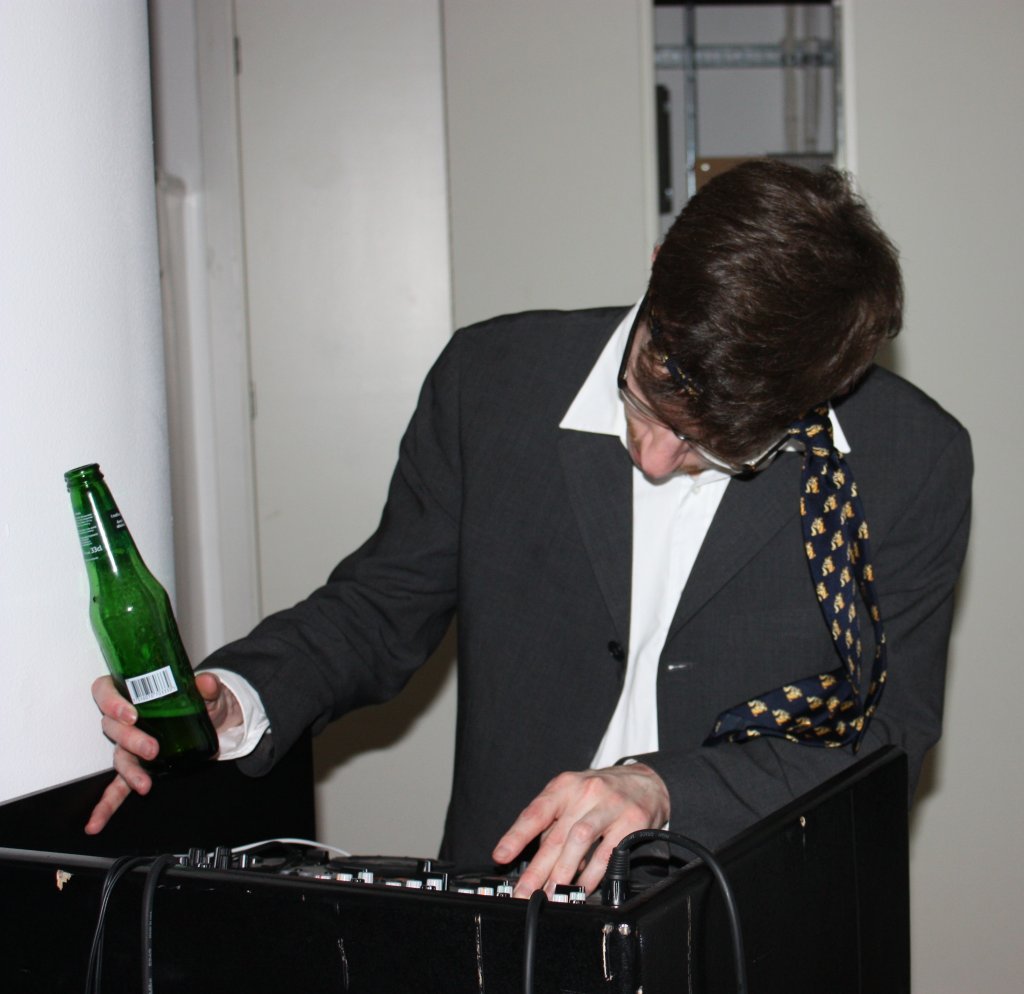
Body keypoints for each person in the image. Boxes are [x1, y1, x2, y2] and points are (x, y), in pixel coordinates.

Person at [89, 160, 972, 900]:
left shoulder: (910, 461)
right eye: (645, 399)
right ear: (657, 268)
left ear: (818, 394)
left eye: (714, 449)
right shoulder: (491, 383)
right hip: (506, 910)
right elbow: (380, 606)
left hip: (753, 917)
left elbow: (886, 742)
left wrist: (665, 789)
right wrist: (242, 697)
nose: (654, 458)